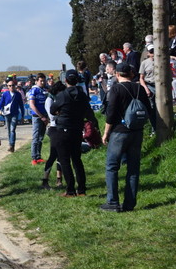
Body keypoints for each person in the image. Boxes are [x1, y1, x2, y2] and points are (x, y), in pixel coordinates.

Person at [101, 62, 152, 212]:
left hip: (119, 132)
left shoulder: (116, 89)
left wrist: (106, 133)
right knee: (133, 168)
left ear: (117, 74)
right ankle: (130, 204)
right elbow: (148, 110)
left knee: (112, 166)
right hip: (137, 132)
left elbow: (110, 114)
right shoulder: (140, 89)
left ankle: (113, 202)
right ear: (130, 74)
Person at [50, 70, 98, 197]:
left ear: (65, 81)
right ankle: (81, 189)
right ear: (78, 80)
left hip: (63, 130)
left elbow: (52, 109)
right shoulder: (82, 95)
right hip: (77, 130)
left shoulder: (62, 95)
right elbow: (89, 112)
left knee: (65, 160)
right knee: (77, 160)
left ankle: (70, 190)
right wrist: (94, 124)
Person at [27, 73, 49, 165]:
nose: (43, 82)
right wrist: (41, 116)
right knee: (35, 137)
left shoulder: (44, 90)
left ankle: (38, 156)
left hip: (44, 116)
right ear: (36, 81)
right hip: (37, 117)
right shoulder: (34, 90)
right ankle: (34, 158)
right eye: (41, 81)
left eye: (44, 80)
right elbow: (32, 105)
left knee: (41, 137)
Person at [0, 79, 24, 152]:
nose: (11, 87)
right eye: (10, 85)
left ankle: (12, 145)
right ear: (7, 87)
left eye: (13, 85)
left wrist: (22, 115)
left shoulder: (18, 94)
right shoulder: (5, 94)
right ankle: (10, 145)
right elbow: (1, 103)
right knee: (9, 130)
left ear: (15, 86)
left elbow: (21, 105)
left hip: (14, 114)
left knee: (12, 130)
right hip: (7, 114)